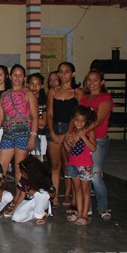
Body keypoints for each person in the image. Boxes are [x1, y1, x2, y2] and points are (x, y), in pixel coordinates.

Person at [73, 69, 114, 220]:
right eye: (89, 80)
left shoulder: (105, 98)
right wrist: (72, 134)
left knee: (96, 175)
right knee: (84, 175)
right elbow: (76, 118)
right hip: (82, 140)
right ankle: (86, 207)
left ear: (102, 82)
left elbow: (99, 120)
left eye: (95, 80)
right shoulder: (84, 99)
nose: (91, 83)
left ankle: (103, 207)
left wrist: (81, 134)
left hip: (98, 140)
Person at [0, 64, 39, 192]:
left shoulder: (29, 94)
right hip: (7, 134)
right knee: (1, 168)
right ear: (10, 76)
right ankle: (1, 195)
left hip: (23, 134)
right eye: (15, 75)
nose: (17, 78)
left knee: (19, 169)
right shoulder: (5, 95)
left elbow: (35, 117)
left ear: (24, 77)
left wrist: (33, 136)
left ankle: (19, 199)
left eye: (20, 75)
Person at [46, 62, 83, 207]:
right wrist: (52, 132)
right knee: (55, 165)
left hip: (71, 131)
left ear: (73, 74)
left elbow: (79, 115)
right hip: (55, 129)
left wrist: (69, 133)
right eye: (60, 72)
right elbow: (49, 113)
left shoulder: (77, 92)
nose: (63, 75)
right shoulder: (52, 91)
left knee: (70, 165)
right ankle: (54, 197)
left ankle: (71, 197)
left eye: (66, 71)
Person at [64, 105, 97, 226]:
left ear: (86, 121)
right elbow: (69, 150)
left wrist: (83, 136)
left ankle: (84, 214)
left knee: (85, 190)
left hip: (85, 165)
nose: (79, 123)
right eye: (77, 120)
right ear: (73, 119)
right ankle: (78, 212)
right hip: (73, 164)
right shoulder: (72, 132)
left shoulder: (89, 132)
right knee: (76, 189)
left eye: (82, 121)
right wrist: (65, 141)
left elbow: (93, 148)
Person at [6, 156, 55, 225]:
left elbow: (53, 195)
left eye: (24, 174)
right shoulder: (24, 180)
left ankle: (39, 216)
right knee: (16, 218)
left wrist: (37, 193)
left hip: (42, 203)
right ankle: (35, 214)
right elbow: (21, 197)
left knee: (40, 195)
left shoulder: (44, 179)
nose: (23, 175)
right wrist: (13, 211)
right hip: (29, 202)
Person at [27, 73, 48, 160]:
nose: (34, 87)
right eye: (32, 83)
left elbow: (43, 123)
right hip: (25, 134)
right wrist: (36, 120)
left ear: (42, 86)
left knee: (38, 162)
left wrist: (30, 119)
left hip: (40, 135)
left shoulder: (44, 101)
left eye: (38, 84)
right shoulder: (24, 99)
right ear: (27, 85)